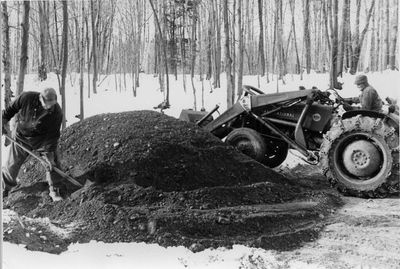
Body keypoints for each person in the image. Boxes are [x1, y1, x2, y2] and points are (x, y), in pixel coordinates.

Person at [2, 88, 64, 201]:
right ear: (40, 98)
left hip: (42, 140)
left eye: (52, 105)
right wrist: (2, 121)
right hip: (22, 137)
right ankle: (4, 188)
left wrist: (49, 156)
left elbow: (52, 136)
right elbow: (10, 110)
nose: (49, 108)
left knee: (53, 165)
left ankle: (55, 190)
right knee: (12, 164)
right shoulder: (26, 98)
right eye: (47, 105)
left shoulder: (57, 112)